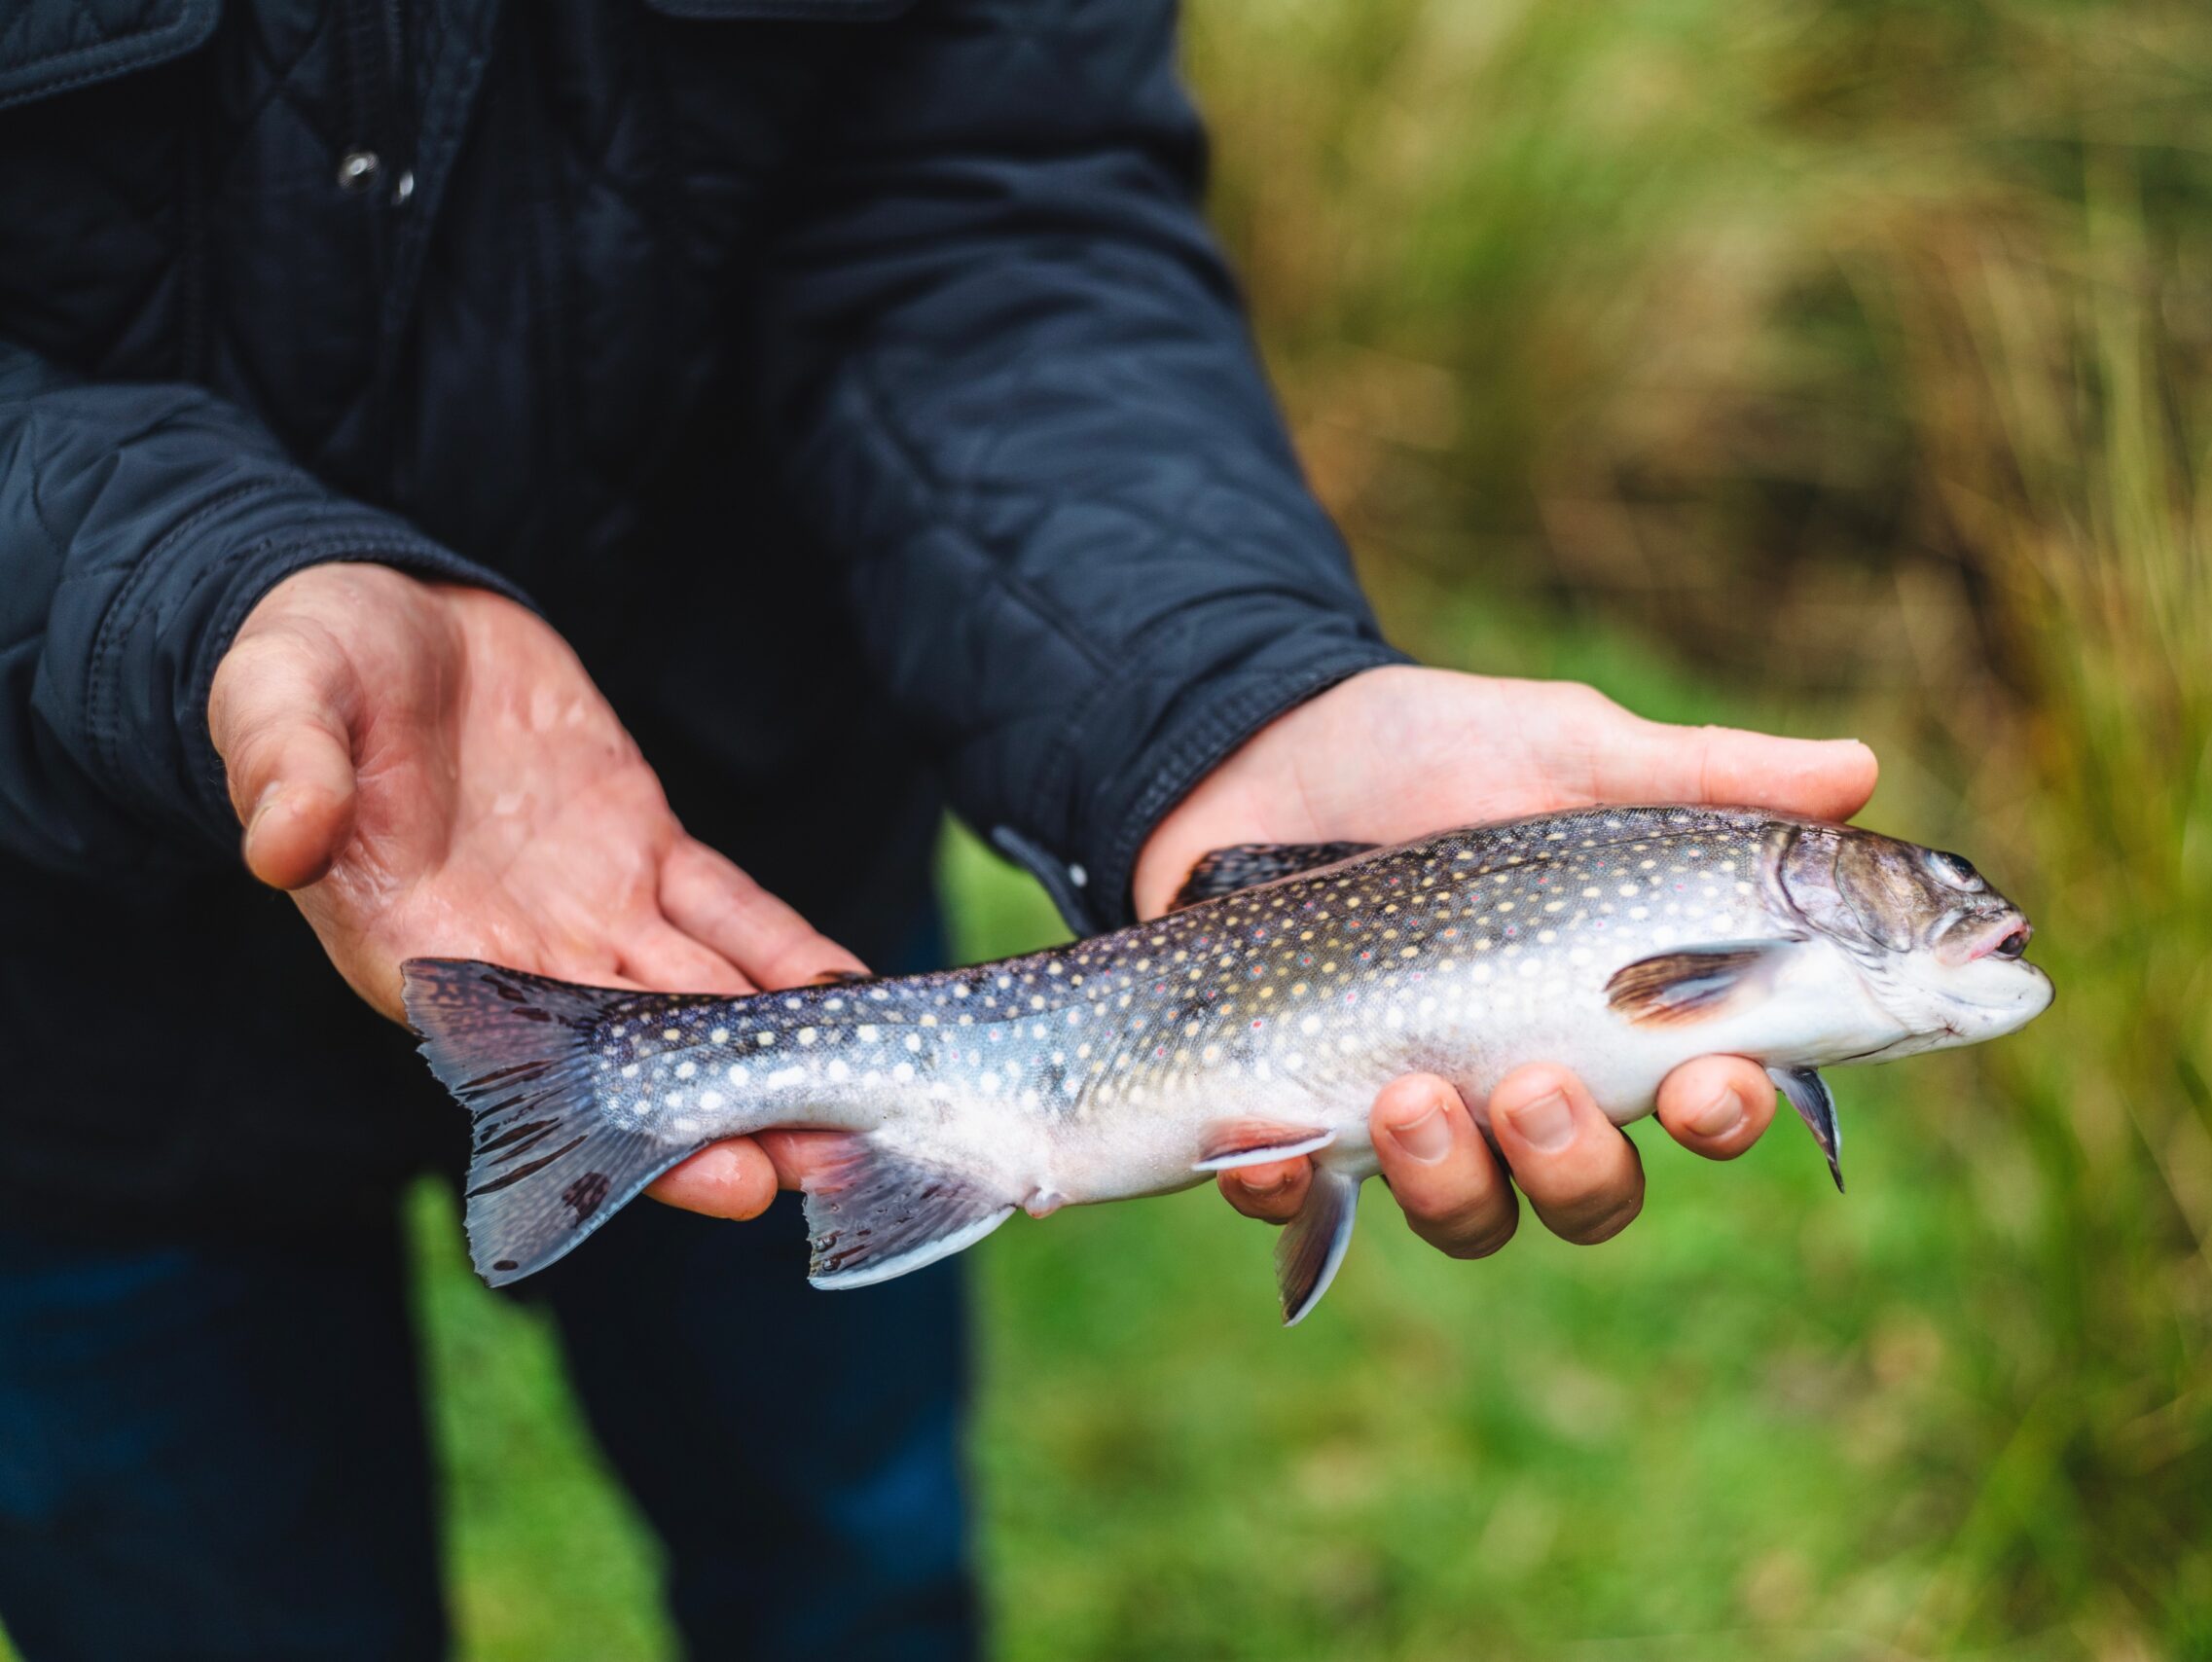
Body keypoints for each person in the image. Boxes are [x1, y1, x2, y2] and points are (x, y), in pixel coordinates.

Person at [0, 2, 1877, 1658]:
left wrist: (1212, 692)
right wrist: (187, 587)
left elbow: (996, 206)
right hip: (54, 1026)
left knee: (855, 1583)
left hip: (751, 890)